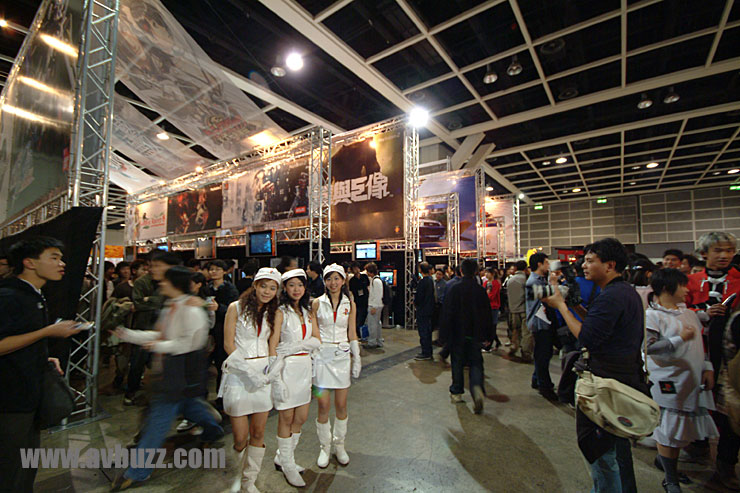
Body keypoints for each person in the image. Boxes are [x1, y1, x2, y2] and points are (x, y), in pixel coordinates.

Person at [543, 238, 646, 493]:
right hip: (621, 378)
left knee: (600, 450)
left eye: (590, 261)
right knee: (617, 449)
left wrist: (561, 306)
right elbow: (597, 327)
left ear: (610, 265)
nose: (584, 266)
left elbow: (587, 337)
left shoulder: (612, 296)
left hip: (607, 383)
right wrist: (576, 306)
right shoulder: (621, 292)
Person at [111, 266, 225, 491]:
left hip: (182, 374)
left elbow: (190, 343)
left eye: (165, 281)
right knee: (191, 407)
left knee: (159, 420)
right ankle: (213, 430)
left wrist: (158, 345)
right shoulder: (171, 306)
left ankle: (137, 471)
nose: (161, 284)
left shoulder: (193, 310)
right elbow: (163, 334)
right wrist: (129, 335)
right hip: (171, 373)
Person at [0, 237, 85, 492]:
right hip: (10, 398)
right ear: (30, 263)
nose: (62, 263)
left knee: (25, 462)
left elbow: (19, 338)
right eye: (54, 257)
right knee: (10, 467)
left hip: (27, 394)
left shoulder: (34, 295)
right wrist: (47, 332)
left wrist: (42, 355)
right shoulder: (9, 296)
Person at [646, 268, 718, 493]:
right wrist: (679, 339)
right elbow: (649, 347)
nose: (687, 290)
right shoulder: (652, 316)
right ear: (666, 288)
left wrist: (707, 367)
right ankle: (670, 479)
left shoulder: (688, 314)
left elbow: (701, 344)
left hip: (691, 379)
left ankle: (666, 463)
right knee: (669, 429)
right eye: (682, 285)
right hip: (668, 381)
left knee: (679, 431)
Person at [219, 268, 283, 493]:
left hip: (262, 376)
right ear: (255, 285)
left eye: (272, 288)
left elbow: (273, 347)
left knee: (258, 433)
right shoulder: (235, 308)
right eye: (263, 286)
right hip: (239, 374)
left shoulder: (276, 313)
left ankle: (248, 481)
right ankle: (237, 474)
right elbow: (228, 344)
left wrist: (274, 373)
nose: (267, 291)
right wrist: (248, 371)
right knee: (239, 437)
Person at [685, 232, 740, 489]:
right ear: (704, 253)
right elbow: (677, 310)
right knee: (697, 401)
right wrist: (702, 313)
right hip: (697, 351)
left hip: (731, 356)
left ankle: (726, 463)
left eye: (729, 250)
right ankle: (698, 445)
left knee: (730, 410)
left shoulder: (738, 279)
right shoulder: (691, 281)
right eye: (718, 250)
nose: (724, 255)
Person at [272, 269, 321, 487]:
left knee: (301, 417)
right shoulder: (279, 312)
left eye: (300, 285)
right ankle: (288, 464)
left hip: (304, 367)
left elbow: (317, 339)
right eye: (291, 285)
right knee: (286, 418)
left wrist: (298, 345)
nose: (296, 289)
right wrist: (276, 378)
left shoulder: (308, 310)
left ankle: (283, 457)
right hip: (286, 369)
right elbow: (273, 345)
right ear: (285, 288)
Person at [312, 264, 361, 468]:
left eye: (337, 278)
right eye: (329, 279)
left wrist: (356, 356)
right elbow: (314, 332)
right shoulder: (316, 303)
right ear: (324, 281)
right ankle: (324, 447)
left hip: (341, 357)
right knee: (323, 405)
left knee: (341, 405)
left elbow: (352, 332)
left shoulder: (350, 303)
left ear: (343, 280)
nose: (333, 283)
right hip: (322, 358)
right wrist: (315, 354)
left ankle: (339, 445)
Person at [125, 250, 182, 406]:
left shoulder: (177, 286)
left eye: (157, 265)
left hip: (171, 343)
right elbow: (138, 303)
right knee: (137, 363)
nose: (152, 269)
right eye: (151, 265)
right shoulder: (143, 282)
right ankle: (131, 392)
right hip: (145, 327)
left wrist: (149, 300)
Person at [441, 258, 493, 413]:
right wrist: (489, 336)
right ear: (476, 272)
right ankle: (476, 387)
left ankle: (457, 392)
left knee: (457, 362)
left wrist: (443, 336)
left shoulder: (454, 289)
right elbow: (487, 315)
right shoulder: (480, 290)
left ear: (461, 271)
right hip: (475, 334)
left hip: (457, 334)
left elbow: (447, 313)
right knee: (476, 362)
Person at [207, 259, 240, 411]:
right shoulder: (206, 288)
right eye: (211, 269)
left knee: (222, 364)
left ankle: (222, 399)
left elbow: (235, 311)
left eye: (217, 269)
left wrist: (219, 307)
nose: (213, 272)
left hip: (223, 331)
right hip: (208, 331)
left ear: (224, 271)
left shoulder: (230, 289)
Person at [526, 252, 558, 401]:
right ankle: (544, 385)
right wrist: (554, 284)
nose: (548, 265)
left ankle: (536, 379)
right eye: (546, 262)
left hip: (543, 322)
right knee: (543, 355)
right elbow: (549, 298)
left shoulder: (540, 280)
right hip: (540, 323)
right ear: (539, 264)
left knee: (543, 353)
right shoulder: (533, 281)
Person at [507, 260, 531, 360]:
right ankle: (526, 352)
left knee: (515, 330)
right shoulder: (526, 280)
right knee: (526, 333)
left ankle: (514, 346)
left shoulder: (510, 280)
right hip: (524, 309)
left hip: (513, 310)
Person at [414, 262, 435, 361]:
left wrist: (416, 303)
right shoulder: (430, 280)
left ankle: (425, 352)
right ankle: (428, 351)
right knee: (427, 331)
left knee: (423, 332)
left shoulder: (423, 282)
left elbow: (419, 297)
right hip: (429, 310)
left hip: (422, 311)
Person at [347, 262, 369, 339]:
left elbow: (368, 286)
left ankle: (363, 334)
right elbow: (352, 291)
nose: (356, 270)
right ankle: (358, 334)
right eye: (354, 269)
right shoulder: (352, 280)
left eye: (357, 268)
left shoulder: (364, 277)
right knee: (358, 319)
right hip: (358, 302)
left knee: (364, 318)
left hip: (365, 300)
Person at [365, 262, 384, 349]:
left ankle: (372, 342)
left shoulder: (376, 281)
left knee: (372, 325)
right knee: (377, 324)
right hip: (377, 305)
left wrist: (374, 307)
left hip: (374, 306)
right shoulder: (376, 280)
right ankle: (378, 341)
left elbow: (378, 295)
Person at [484, 268, 502, 351]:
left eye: (488, 272)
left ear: (492, 274)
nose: (486, 274)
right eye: (485, 272)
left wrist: (486, 295)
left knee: (492, 325)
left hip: (494, 306)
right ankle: (497, 341)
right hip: (486, 307)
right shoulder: (485, 283)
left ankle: (489, 345)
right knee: (489, 325)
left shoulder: (496, 283)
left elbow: (492, 296)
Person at [432, 268, 447, 334]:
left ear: (443, 275)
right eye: (437, 274)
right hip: (434, 304)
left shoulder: (445, 284)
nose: (438, 275)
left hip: (441, 304)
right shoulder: (433, 282)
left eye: (440, 274)